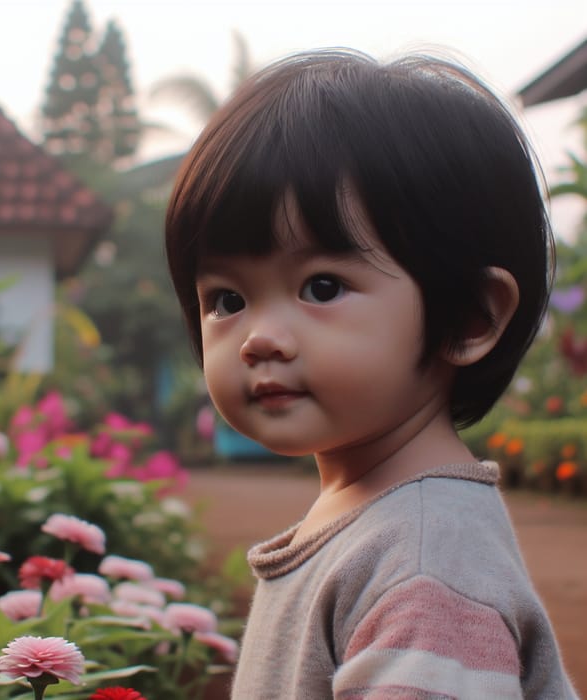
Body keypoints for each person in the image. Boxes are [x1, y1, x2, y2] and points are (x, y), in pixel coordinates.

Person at [164, 48, 578, 699]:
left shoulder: (424, 570)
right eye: (227, 300)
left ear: (467, 317)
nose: (259, 339)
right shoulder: (382, 525)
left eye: (322, 286)